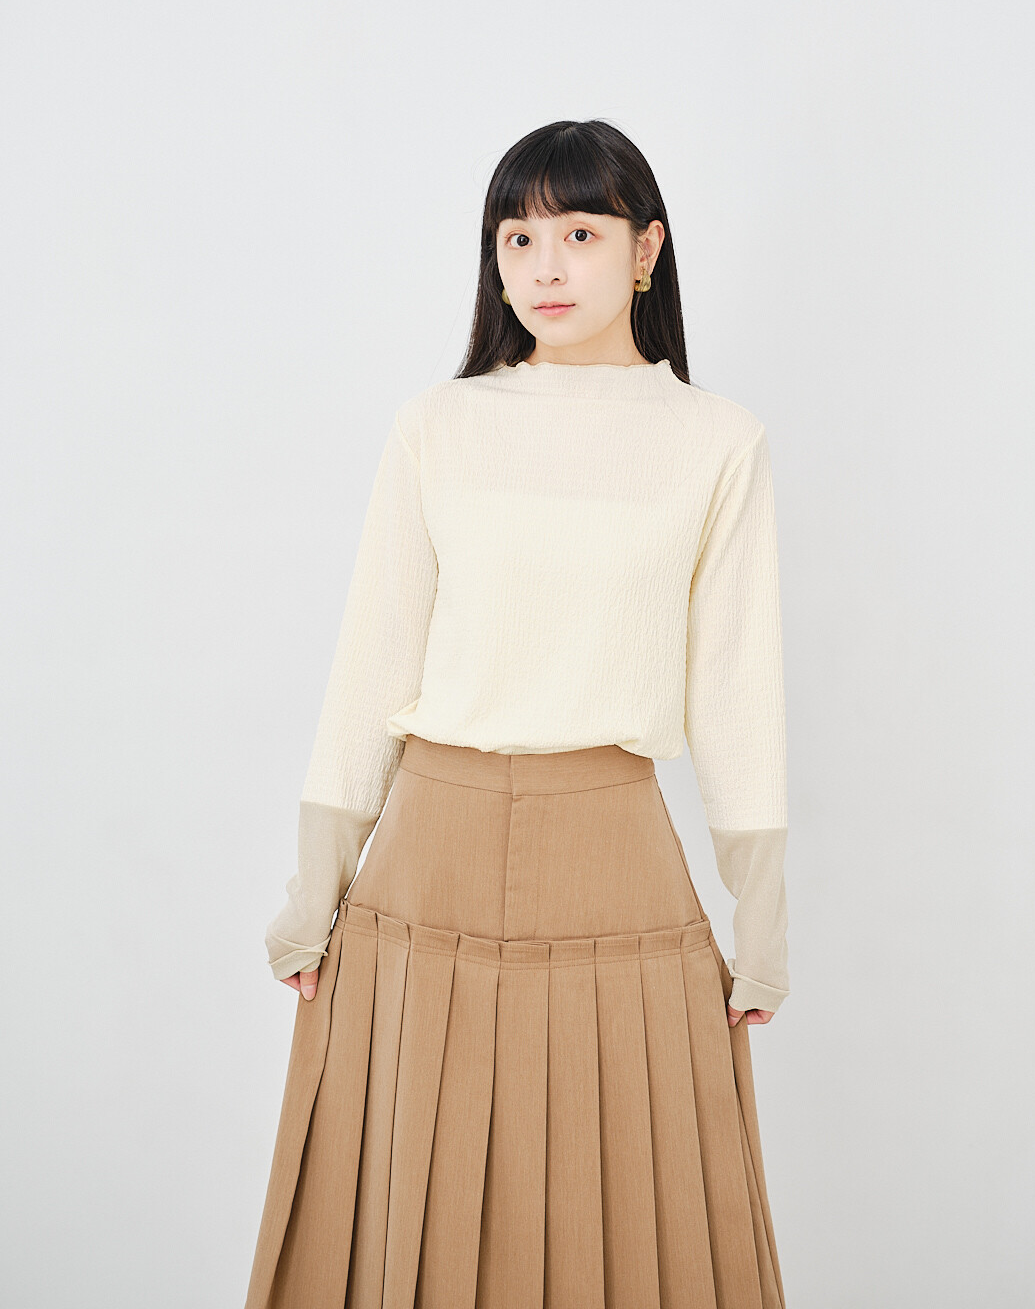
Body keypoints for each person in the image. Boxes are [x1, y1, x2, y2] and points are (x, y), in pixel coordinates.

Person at [244, 119, 790, 1309]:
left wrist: (764, 919)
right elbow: (371, 665)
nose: (546, 266)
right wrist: (313, 890)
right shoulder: (438, 426)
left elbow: (737, 695)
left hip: (615, 860)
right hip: (426, 860)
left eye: (581, 234)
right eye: (519, 237)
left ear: (646, 252)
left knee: (624, 1217)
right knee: (409, 1216)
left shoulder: (716, 442)